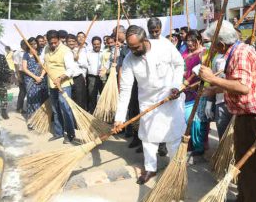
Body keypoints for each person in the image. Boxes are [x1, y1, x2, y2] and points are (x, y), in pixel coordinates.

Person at [199, 20, 256, 202]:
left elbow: (243, 87)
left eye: (213, 44)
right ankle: (244, 197)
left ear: (221, 44)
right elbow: (240, 84)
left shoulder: (240, 53)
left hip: (254, 117)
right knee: (245, 163)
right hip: (247, 115)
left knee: (249, 165)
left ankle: (252, 199)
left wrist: (212, 79)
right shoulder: (237, 51)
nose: (213, 48)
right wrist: (214, 89)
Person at [113, 25, 186, 184]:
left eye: (136, 47)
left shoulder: (164, 45)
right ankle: (150, 169)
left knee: (173, 137)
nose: (133, 51)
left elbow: (179, 64)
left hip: (170, 97)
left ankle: (175, 168)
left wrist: (175, 86)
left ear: (145, 39)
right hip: (147, 101)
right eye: (130, 48)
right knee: (148, 138)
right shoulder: (129, 59)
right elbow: (125, 89)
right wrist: (119, 118)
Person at [43, 30, 76, 144]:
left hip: (64, 84)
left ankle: (71, 134)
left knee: (65, 109)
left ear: (59, 40)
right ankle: (58, 132)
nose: (53, 45)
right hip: (51, 84)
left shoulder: (66, 51)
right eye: (50, 43)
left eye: (55, 43)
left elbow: (71, 69)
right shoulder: (46, 49)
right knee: (55, 108)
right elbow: (44, 62)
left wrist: (60, 78)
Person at [182, 30, 209, 156]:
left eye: (193, 40)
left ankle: (199, 146)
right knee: (187, 119)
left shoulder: (204, 53)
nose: (190, 43)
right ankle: (191, 144)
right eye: (188, 40)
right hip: (186, 90)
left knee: (197, 120)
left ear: (199, 40)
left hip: (199, 89)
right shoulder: (184, 53)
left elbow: (204, 70)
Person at [21, 37, 48, 124]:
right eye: (31, 44)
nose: (33, 45)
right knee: (32, 99)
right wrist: (35, 77)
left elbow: (45, 66)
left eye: (35, 44)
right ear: (28, 45)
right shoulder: (26, 54)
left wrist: (41, 77)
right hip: (30, 80)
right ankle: (31, 121)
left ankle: (40, 120)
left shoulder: (40, 54)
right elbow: (24, 69)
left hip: (41, 79)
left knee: (40, 98)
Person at [66, 34, 88, 110]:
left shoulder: (80, 51)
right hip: (67, 79)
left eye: (73, 41)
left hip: (78, 78)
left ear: (76, 42)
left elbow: (85, 65)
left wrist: (78, 59)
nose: (71, 43)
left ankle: (81, 119)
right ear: (66, 42)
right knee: (70, 99)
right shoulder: (64, 52)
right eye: (69, 41)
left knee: (80, 100)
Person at [86, 36, 104, 113]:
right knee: (92, 96)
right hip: (92, 78)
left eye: (98, 44)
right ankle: (93, 113)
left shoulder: (105, 52)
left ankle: (103, 113)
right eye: (94, 44)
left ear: (101, 43)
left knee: (104, 95)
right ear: (92, 44)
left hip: (103, 78)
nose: (96, 45)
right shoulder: (88, 53)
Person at [13, 40, 27, 114]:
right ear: (22, 44)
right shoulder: (17, 53)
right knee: (22, 91)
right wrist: (18, 76)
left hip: (27, 73)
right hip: (21, 73)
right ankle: (19, 108)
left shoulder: (27, 51)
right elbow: (16, 65)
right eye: (26, 44)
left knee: (26, 91)